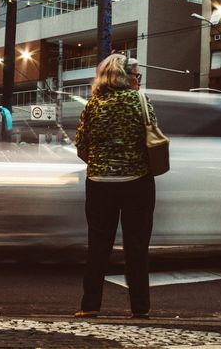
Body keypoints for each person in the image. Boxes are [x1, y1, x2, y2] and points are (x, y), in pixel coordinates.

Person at [74, 53, 157, 319]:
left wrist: (102, 164)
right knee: (137, 245)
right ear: (126, 76)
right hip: (138, 183)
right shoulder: (140, 101)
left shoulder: (92, 105)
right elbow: (152, 138)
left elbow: (81, 146)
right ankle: (140, 307)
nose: (138, 80)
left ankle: (90, 305)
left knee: (98, 245)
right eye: (136, 75)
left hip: (99, 184)